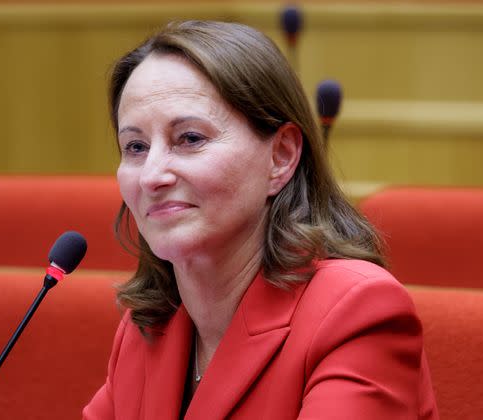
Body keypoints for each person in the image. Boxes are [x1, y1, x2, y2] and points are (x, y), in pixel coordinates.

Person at [83, 20, 438, 419]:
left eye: (190, 138)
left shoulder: (354, 313)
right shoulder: (148, 326)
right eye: (135, 147)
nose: (152, 176)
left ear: (280, 157)